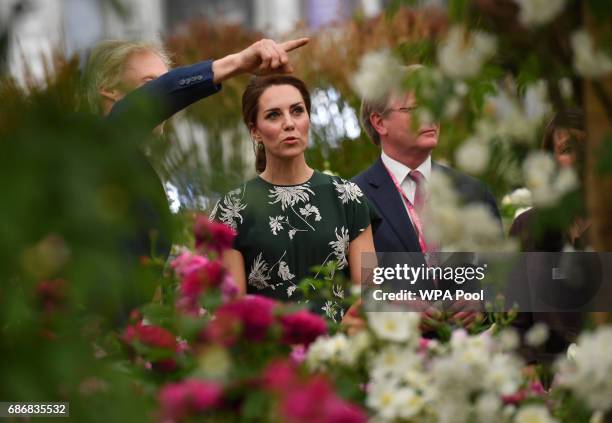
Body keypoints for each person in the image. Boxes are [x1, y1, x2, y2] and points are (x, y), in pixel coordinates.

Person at [211, 75, 376, 322]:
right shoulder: (233, 208)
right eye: (273, 115)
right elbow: (231, 312)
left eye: (297, 111)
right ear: (255, 130)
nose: (289, 123)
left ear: (308, 118)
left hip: (338, 350)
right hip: (268, 352)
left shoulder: (347, 196)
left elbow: (370, 295)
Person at [352, 65, 501, 331]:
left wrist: (483, 303)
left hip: (470, 355)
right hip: (394, 358)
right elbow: (344, 294)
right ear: (379, 122)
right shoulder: (352, 198)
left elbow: (504, 278)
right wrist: (393, 309)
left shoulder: (475, 193)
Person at [509, 108, 589, 367]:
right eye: (567, 149)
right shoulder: (527, 227)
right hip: (547, 387)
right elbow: (515, 324)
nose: (579, 158)